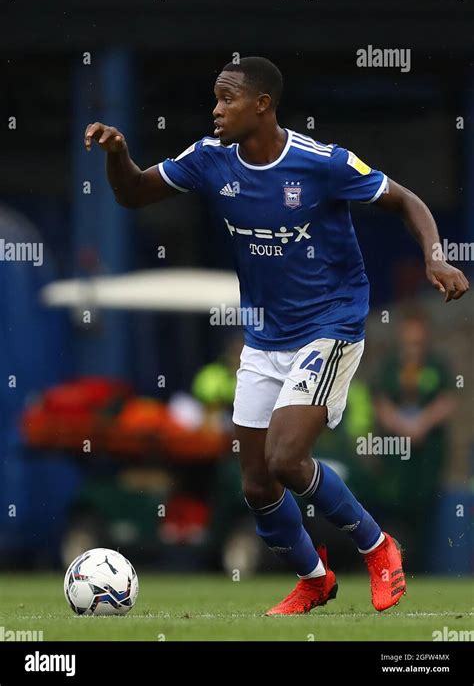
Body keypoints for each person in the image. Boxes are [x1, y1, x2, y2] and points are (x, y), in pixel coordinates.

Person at [84, 56, 469, 615]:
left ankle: (378, 546)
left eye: (227, 98)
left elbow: (406, 199)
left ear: (262, 105)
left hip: (331, 323)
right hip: (266, 336)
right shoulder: (208, 160)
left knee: (288, 459)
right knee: (258, 484)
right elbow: (135, 194)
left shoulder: (322, 163)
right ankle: (314, 579)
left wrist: (435, 256)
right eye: (214, 99)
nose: (215, 110)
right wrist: (119, 156)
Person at [372, 308, 456, 571]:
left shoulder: (436, 365)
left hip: (426, 456)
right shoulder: (390, 366)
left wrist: (421, 424)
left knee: (425, 514)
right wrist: (402, 426)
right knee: (392, 511)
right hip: (395, 457)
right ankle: (390, 569)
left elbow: (448, 399)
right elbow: (381, 401)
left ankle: (421, 570)